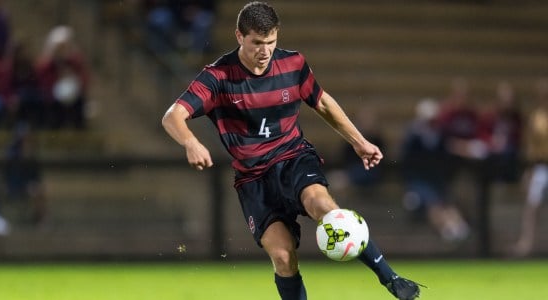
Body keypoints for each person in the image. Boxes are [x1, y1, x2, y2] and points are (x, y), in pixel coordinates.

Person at [161, 2, 422, 299]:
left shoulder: (293, 64)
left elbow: (322, 102)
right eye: (257, 43)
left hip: (293, 158)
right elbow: (172, 116)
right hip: (253, 179)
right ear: (239, 36)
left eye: (270, 42)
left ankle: (391, 279)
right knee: (284, 257)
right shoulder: (218, 77)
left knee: (326, 210)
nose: (265, 50)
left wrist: (359, 141)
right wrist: (191, 142)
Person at [400, 98, 469, 242]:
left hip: (436, 179)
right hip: (419, 180)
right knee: (433, 205)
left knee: (447, 203)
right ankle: (448, 230)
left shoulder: (439, 134)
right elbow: (406, 159)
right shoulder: (414, 135)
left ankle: (458, 227)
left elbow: (446, 152)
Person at [511, 79, 548, 257]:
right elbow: (530, 146)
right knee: (532, 206)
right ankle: (527, 243)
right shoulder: (537, 117)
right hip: (541, 166)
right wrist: (529, 169)